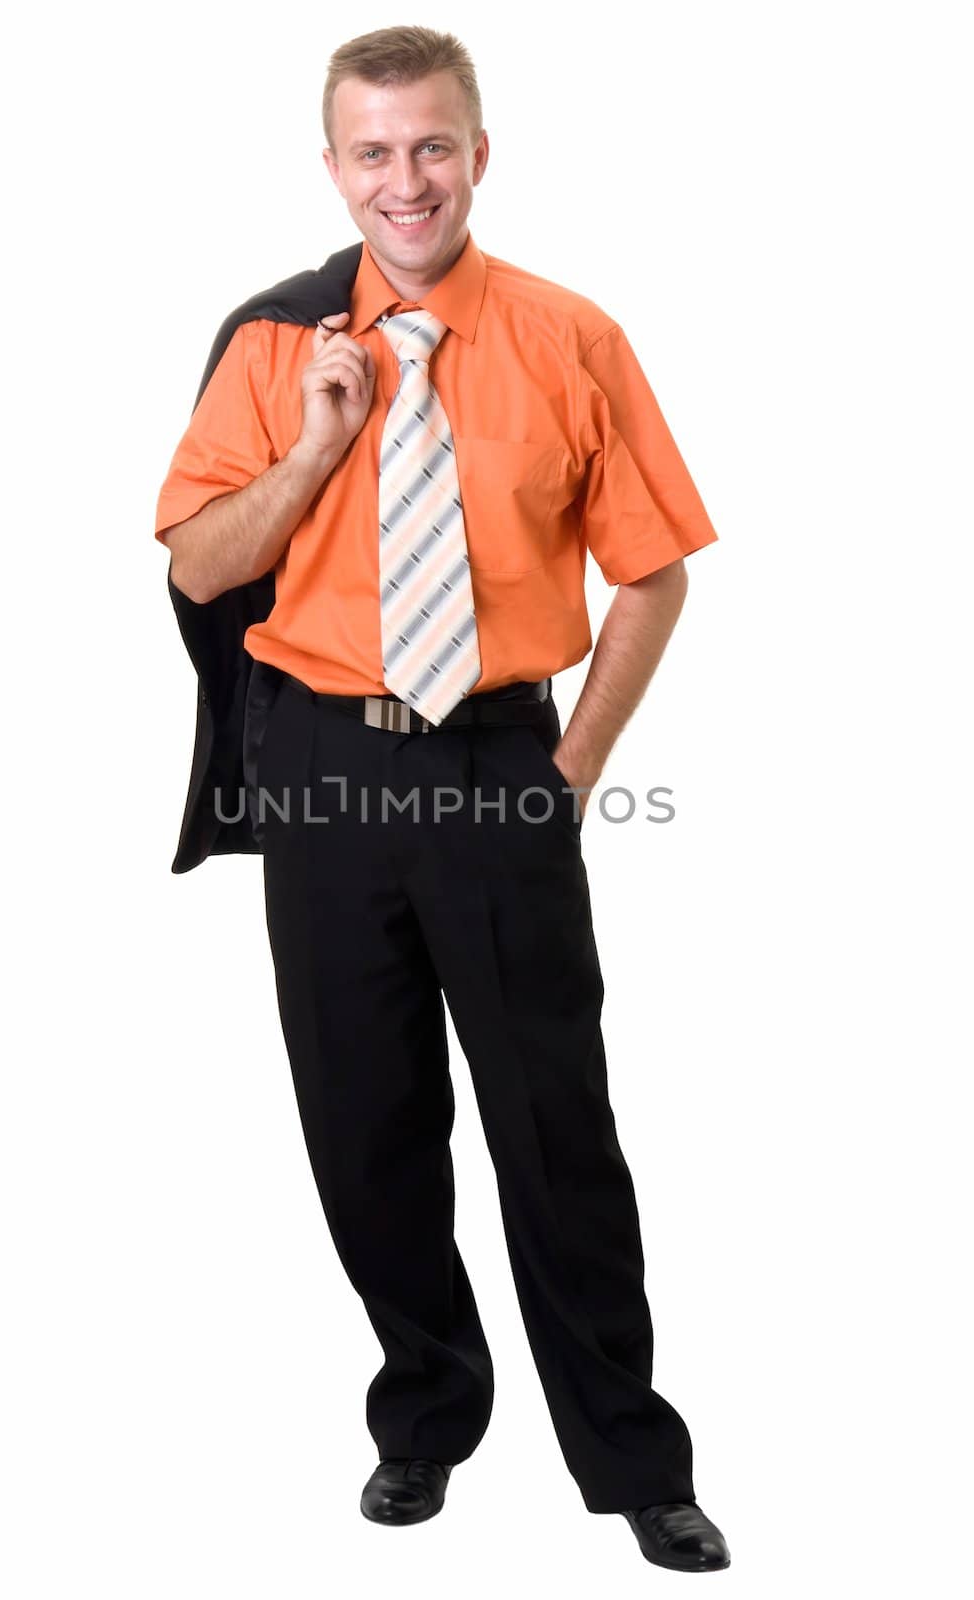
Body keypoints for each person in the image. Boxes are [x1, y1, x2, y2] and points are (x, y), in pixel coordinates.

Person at [153, 24, 730, 1575]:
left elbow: (655, 572)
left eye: (432, 146)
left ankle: (632, 1458)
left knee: (555, 1125)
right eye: (373, 151)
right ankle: (423, 1421)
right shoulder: (274, 343)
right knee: (366, 1120)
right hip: (324, 767)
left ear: (480, 153)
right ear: (331, 166)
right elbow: (201, 561)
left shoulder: (571, 336)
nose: (404, 179)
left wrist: (573, 769)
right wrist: (323, 447)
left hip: (496, 760)